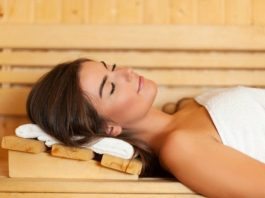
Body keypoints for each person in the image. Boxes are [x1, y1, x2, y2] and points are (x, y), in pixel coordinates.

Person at [27, 58, 265, 197]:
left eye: (112, 68)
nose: (126, 74)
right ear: (109, 128)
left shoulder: (189, 108)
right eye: (111, 88)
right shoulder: (181, 148)